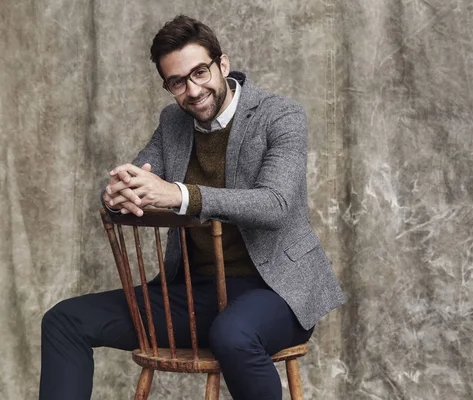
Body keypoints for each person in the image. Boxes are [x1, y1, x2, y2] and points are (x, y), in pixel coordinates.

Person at [39, 14, 344, 400]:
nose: (193, 90)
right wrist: (117, 192)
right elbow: (139, 176)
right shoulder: (173, 122)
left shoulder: (279, 115)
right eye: (177, 82)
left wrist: (181, 195)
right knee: (64, 320)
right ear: (168, 86)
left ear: (223, 65)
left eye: (200, 72)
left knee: (232, 335)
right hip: (196, 293)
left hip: (277, 291)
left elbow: (277, 204)